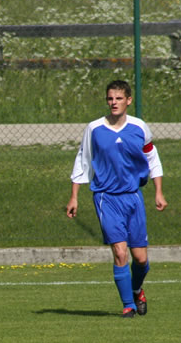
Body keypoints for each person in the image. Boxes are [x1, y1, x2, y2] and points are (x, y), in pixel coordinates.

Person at [66, 79, 167, 317]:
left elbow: (152, 159)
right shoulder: (94, 129)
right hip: (106, 197)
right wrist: (74, 197)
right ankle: (128, 306)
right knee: (120, 252)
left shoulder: (139, 127)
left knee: (140, 260)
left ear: (128, 100)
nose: (114, 103)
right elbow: (83, 161)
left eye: (119, 98)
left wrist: (159, 191)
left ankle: (136, 289)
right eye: (110, 98)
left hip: (133, 197)